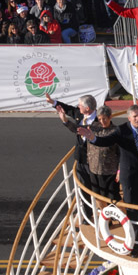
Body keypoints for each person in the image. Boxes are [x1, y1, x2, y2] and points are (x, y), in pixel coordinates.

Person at [78, 105, 138, 258]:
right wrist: (92, 138)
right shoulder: (121, 130)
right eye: (134, 116)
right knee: (133, 211)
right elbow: (106, 141)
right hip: (130, 178)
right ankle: (135, 244)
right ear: (129, 118)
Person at [46, 93, 98, 222]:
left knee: (97, 188)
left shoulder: (99, 120)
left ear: (87, 108)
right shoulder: (81, 114)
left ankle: (106, 216)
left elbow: (80, 129)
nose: (78, 107)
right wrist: (53, 102)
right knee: (83, 188)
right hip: (81, 158)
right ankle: (88, 215)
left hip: (94, 161)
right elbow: (68, 109)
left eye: (80, 105)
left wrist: (65, 121)